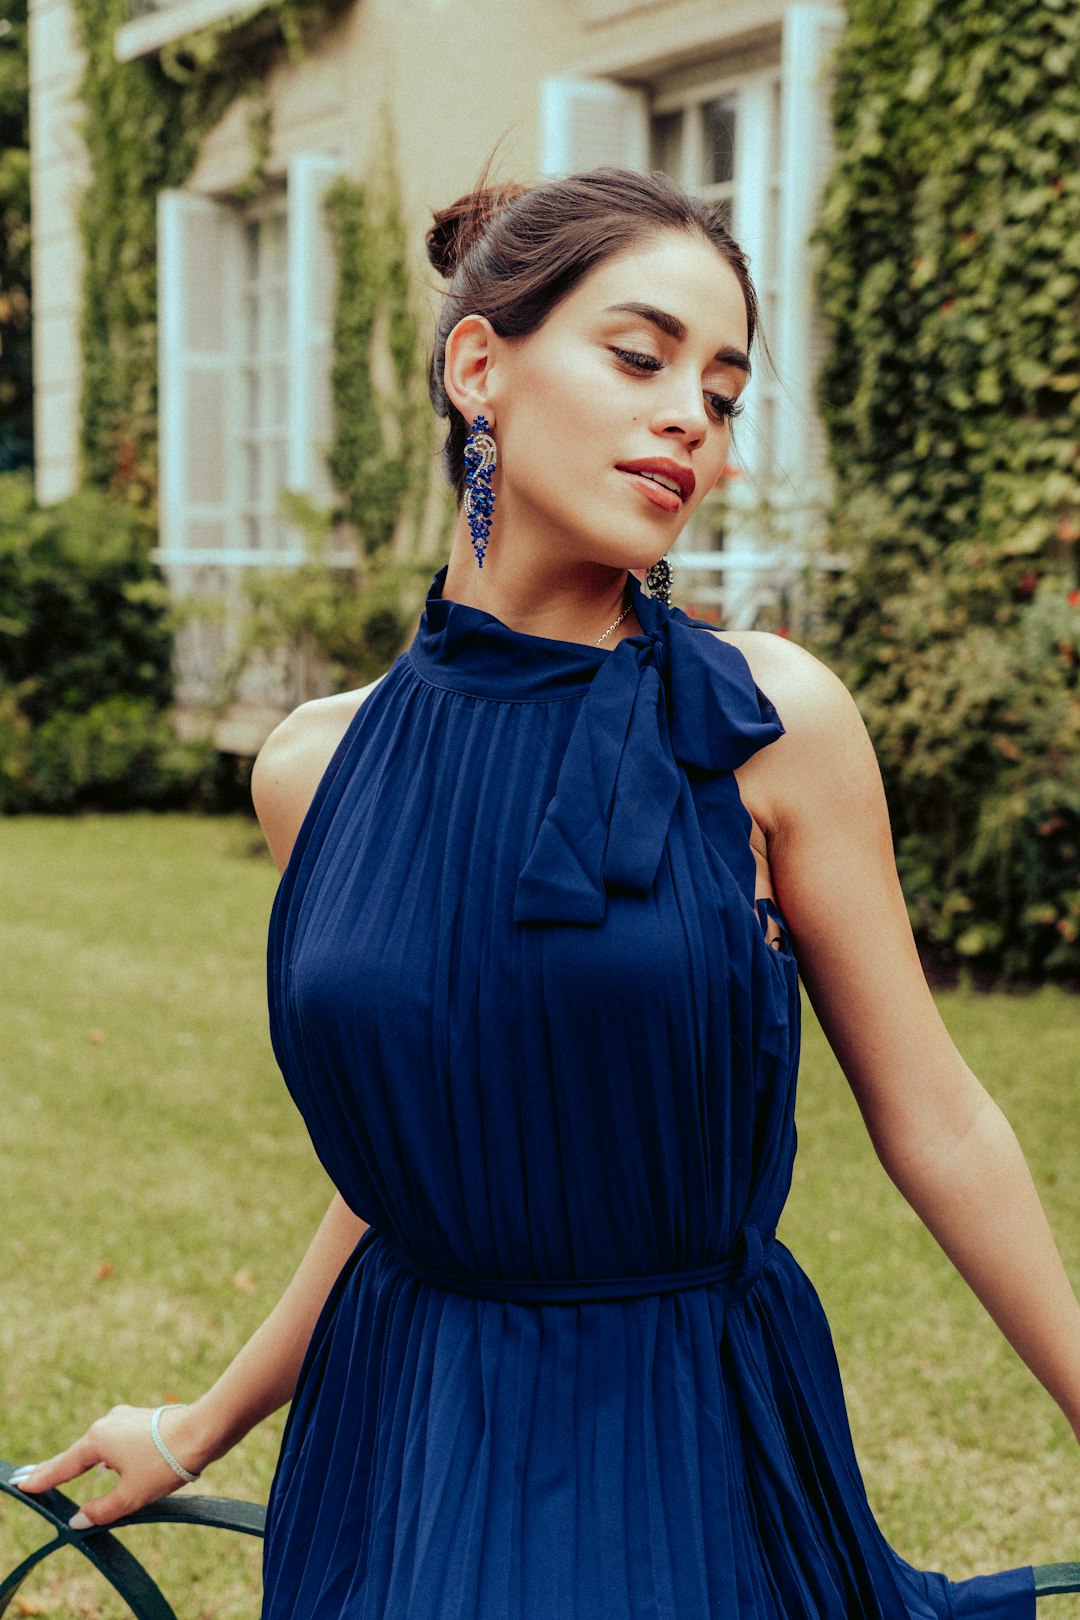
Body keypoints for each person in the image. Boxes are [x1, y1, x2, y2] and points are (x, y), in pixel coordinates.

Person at [12, 166, 1079, 1618]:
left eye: (723, 387)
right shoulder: (314, 770)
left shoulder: (772, 719)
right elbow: (411, 1169)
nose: (691, 416)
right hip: (410, 1439)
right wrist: (200, 1424)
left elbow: (939, 1117)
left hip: (683, 1428)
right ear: (478, 370)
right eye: (640, 358)